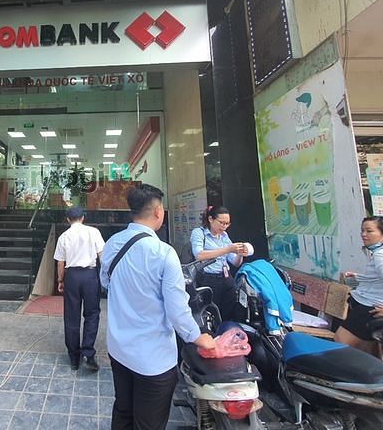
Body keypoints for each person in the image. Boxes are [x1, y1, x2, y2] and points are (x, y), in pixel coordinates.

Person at [100, 184, 216, 429]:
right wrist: (198, 337)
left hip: (119, 348)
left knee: (123, 410)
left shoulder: (112, 243)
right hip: (152, 359)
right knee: (149, 423)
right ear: (158, 211)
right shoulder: (163, 252)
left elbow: (105, 282)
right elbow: (177, 309)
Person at [335, 216, 383, 353]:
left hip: (373, 309)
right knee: (366, 350)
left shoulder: (382, 255)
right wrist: (359, 277)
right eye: (362, 230)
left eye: (369, 231)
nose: (363, 234)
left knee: (341, 342)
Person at [54, 206, 105, 371]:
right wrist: (104, 276)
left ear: (68, 219)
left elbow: (60, 262)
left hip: (72, 277)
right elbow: (102, 256)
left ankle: (74, 357)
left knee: (71, 316)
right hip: (90, 276)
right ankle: (88, 353)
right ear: (83, 217)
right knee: (92, 314)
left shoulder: (64, 236)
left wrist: (60, 280)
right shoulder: (93, 232)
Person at [190, 205, 247, 321]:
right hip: (208, 278)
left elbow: (235, 262)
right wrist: (228, 249)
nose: (224, 226)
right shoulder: (199, 233)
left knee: (229, 310)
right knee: (212, 312)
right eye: (221, 223)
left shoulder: (224, 236)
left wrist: (240, 253)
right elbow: (199, 255)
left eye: (227, 224)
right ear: (211, 219)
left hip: (226, 277)